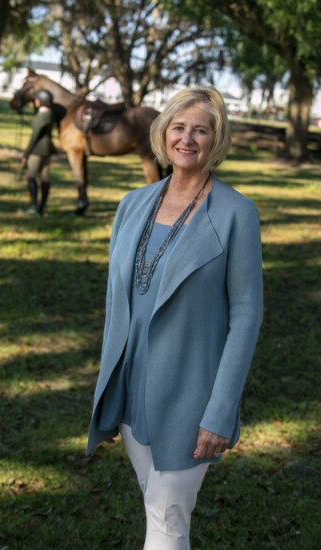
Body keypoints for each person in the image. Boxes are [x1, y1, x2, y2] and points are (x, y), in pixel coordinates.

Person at [86, 87, 263, 549]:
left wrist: (220, 412)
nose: (188, 138)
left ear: (216, 140)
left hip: (191, 398)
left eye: (201, 130)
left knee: (167, 521)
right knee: (159, 509)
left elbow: (246, 315)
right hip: (130, 394)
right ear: (163, 133)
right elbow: (116, 302)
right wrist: (108, 390)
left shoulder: (236, 214)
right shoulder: (131, 204)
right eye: (179, 127)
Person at [21, 89, 57, 215]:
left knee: (31, 176)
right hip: (47, 149)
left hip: (37, 150)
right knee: (44, 178)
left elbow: (35, 135)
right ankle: (42, 207)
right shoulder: (50, 113)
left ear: (41, 101)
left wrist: (26, 153)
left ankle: (34, 206)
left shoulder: (42, 115)